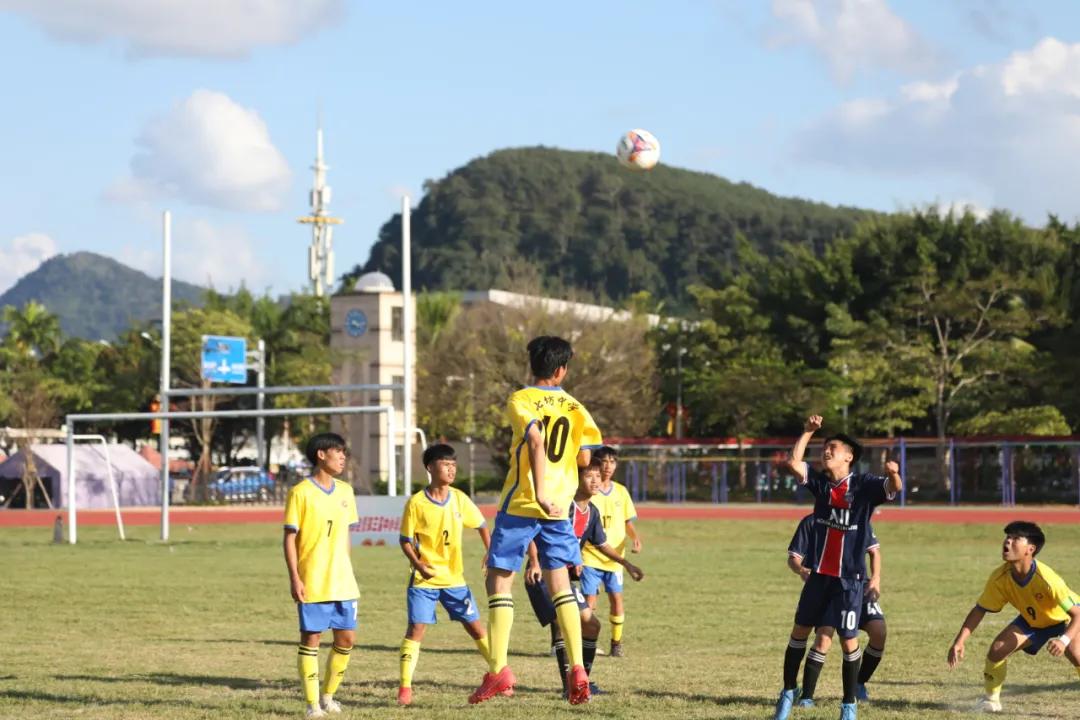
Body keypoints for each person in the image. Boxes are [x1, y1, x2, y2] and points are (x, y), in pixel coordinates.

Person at [469, 335, 603, 706]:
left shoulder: (521, 398)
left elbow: (535, 439)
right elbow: (582, 458)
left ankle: (498, 671)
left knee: (499, 582)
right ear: (562, 369)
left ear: (535, 366)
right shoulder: (577, 408)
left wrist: (540, 488)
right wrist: (555, 490)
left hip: (523, 503)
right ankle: (578, 669)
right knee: (561, 587)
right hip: (559, 509)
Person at [773, 414, 902, 720]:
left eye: (832, 447)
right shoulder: (821, 484)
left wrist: (894, 474)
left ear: (849, 456)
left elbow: (894, 488)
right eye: (825, 447)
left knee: (849, 641)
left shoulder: (864, 485)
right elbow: (794, 463)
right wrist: (807, 431)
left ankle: (849, 704)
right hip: (819, 577)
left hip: (850, 581)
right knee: (800, 632)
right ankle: (788, 693)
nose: (826, 451)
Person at [525, 460, 645, 696]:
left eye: (598, 477)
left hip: (565, 578)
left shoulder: (591, 512)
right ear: (576, 479)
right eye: (589, 476)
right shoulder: (561, 506)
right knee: (562, 624)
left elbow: (601, 544)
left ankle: (581, 682)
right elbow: (532, 531)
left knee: (591, 625)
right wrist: (535, 562)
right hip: (544, 574)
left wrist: (626, 563)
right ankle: (569, 687)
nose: (595, 481)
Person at [947, 521, 1080, 712]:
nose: (1008, 542)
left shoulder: (1047, 579)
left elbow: (1077, 614)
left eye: (1016, 538)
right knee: (998, 649)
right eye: (1007, 537)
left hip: (1066, 619)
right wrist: (960, 641)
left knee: (1076, 654)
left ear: (1030, 549)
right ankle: (991, 702)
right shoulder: (1000, 577)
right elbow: (980, 609)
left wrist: (1064, 640)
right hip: (1033, 621)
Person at [397, 443, 493, 707]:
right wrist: (417, 564)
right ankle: (405, 686)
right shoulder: (416, 503)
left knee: (475, 626)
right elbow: (405, 539)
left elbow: (482, 525)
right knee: (416, 628)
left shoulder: (460, 498)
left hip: (455, 579)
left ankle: (497, 675)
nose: (451, 469)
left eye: (453, 464)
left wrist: (490, 551)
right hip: (424, 579)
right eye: (445, 464)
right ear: (430, 467)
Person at [283, 433, 360, 718]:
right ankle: (312, 704)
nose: (343, 457)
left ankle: (328, 696)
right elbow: (290, 538)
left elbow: (346, 536)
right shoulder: (300, 492)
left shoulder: (346, 492)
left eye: (344, 453)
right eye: (337, 452)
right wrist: (295, 577)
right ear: (321, 455)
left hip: (343, 581)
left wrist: (346, 567)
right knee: (312, 639)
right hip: (313, 579)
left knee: (347, 639)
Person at [786, 514, 887, 705]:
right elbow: (794, 558)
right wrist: (802, 570)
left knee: (879, 632)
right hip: (828, 586)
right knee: (824, 638)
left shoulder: (858, 519)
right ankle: (806, 696)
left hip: (858, 585)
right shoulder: (812, 522)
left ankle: (858, 684)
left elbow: (874, 551)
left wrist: (875, 580)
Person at [580, 446, 643, 657]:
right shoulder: (591, 490)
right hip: (590, 555)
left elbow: (627, 521)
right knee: (590, 602)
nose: (608, 467)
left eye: (612, 462)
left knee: (616, 599)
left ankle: (616, 643)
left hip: (615, 557)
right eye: (604, 462)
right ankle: (585, 642)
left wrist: (635, 538)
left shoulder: (621, 491)